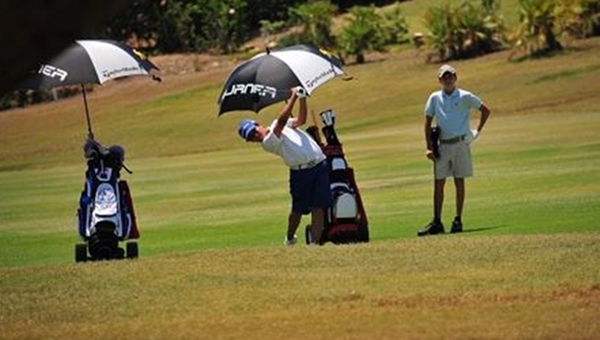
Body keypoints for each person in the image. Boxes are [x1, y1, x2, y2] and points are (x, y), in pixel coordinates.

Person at [237, 87, 332, 246]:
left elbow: (301, 120)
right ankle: (290, 238)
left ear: (257, 125)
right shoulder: (268, 143)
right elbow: (281, 122)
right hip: (300, 173)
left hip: (319, 165)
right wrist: (294, 96)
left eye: (253, 131)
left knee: (318, 207)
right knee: (298, 210)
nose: (255, 136)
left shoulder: (276, 125)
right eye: (251, 138)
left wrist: (302, 98)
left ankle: (315, 245)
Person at [418, 64, 491, 236]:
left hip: (460, 144)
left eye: (450, 76)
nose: (448, 79)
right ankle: (437, 221)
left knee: (459, 181)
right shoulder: (434, 98)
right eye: (444, 77)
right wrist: (429, 147)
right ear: (440, 80)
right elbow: (427, 122)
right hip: (442, 145)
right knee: (439, 183)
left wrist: (476, 132)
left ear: (455, 77)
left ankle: (458, 219)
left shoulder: (465, 96)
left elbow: (485, 110)